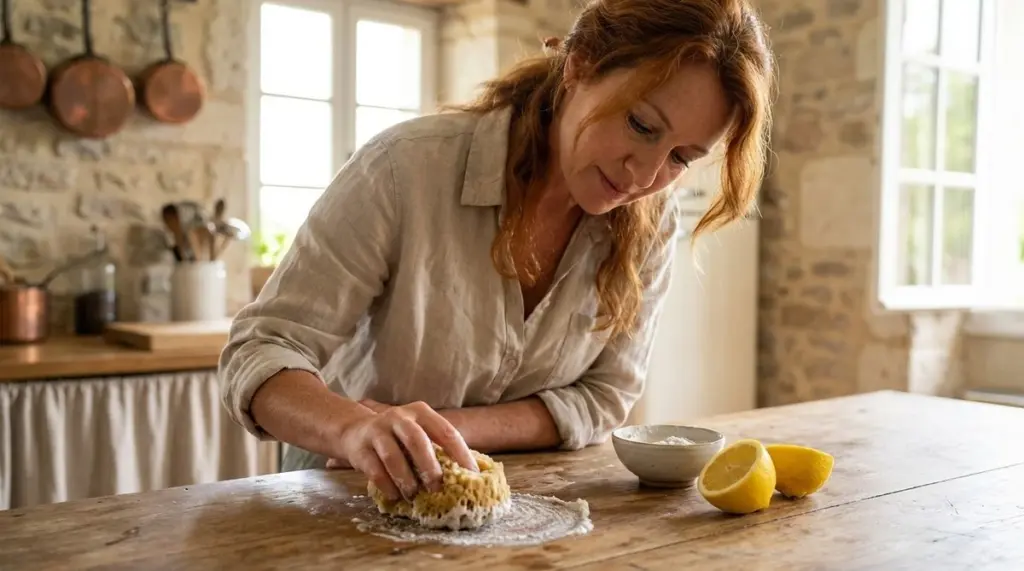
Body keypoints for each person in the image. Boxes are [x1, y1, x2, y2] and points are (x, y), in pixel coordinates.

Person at [220, 0, 774, 504]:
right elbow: (261, 350)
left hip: (526, 508)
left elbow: (606, 397)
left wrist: (443, 429)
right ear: (578, 67)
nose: (646, 176)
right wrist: (353, 428)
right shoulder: (403, 170)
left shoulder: (653, 221)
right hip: (338, 495)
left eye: (681, 157)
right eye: (641, 124)